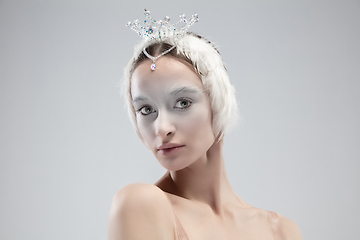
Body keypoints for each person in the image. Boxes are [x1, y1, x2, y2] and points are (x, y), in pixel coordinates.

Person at [108, 10, 303, 240]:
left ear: (218, 101)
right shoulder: (140, 204)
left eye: (182, 102)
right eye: (146, 109)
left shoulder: (282, 231)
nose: (162, 128)